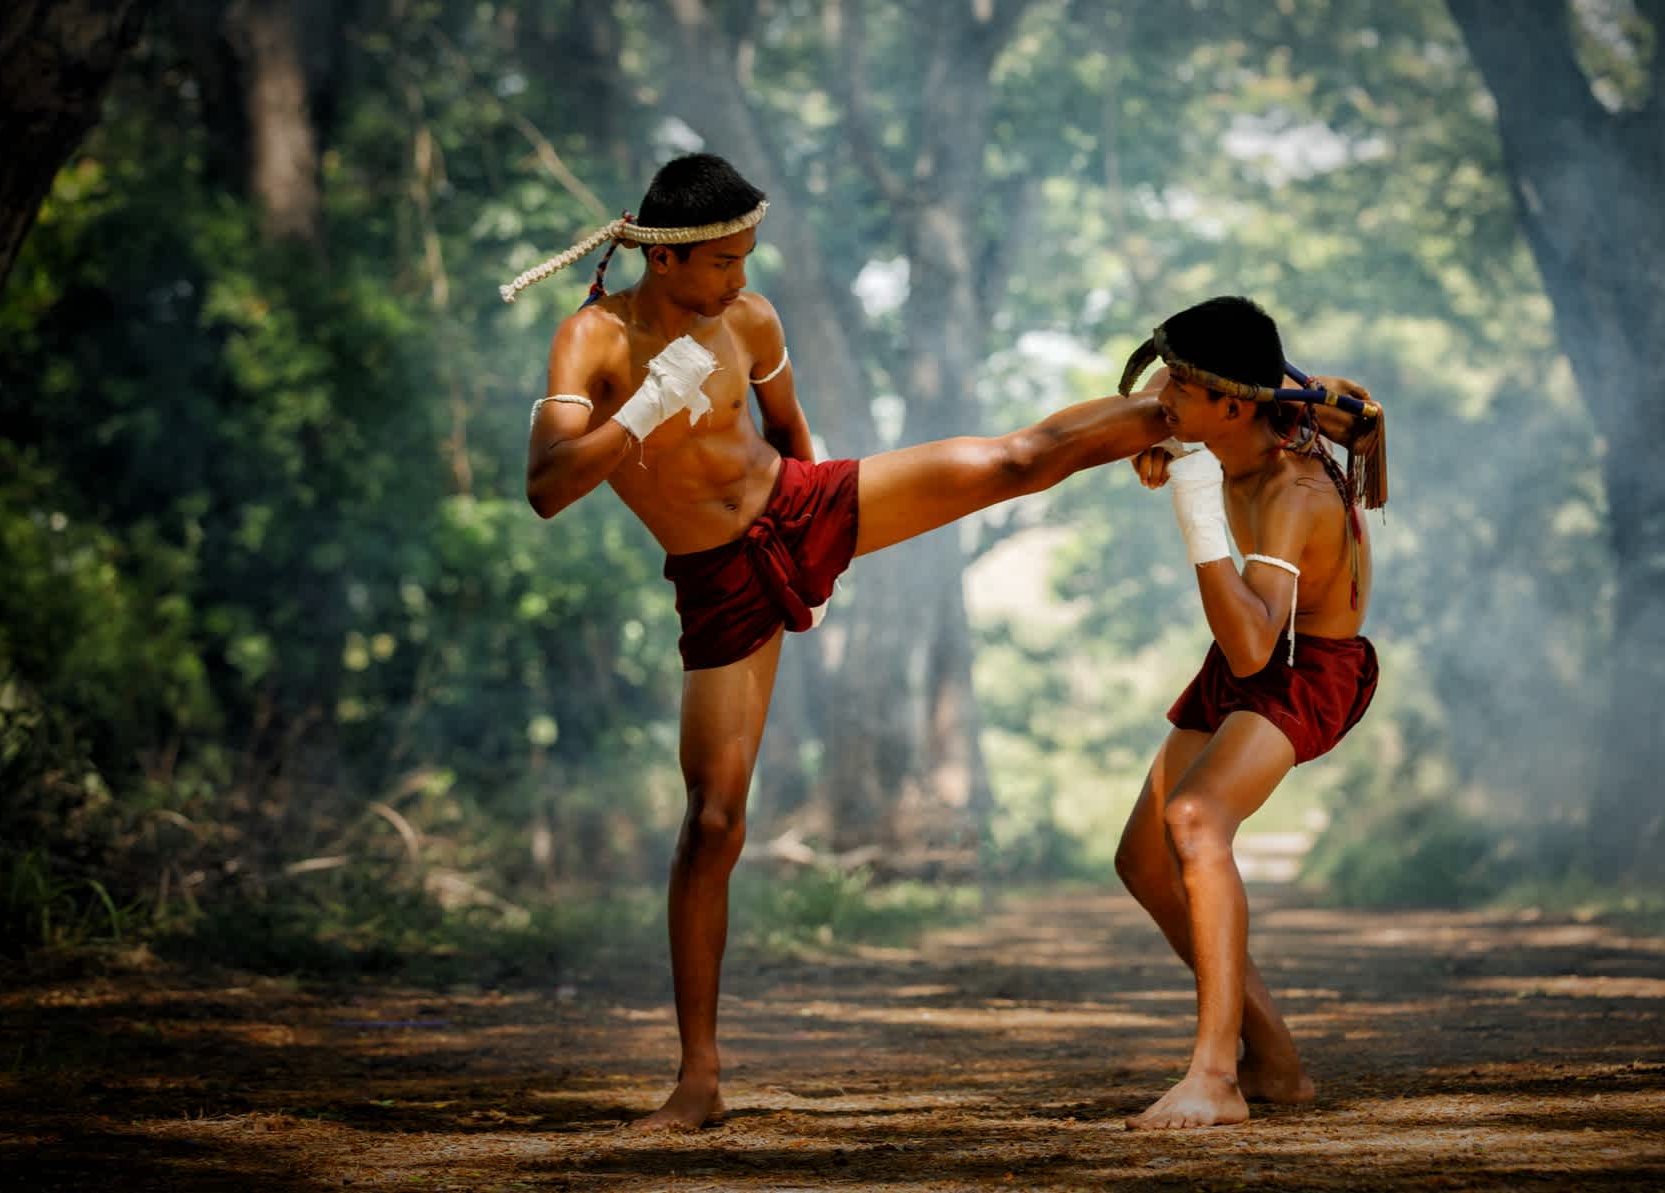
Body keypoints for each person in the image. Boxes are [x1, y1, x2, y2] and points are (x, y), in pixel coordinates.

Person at [504, 152, 1204, 1130]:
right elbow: (546, 487)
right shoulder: (591, 337)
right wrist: (650, 406)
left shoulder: (750, 320)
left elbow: (792, 438)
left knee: (1012, 459)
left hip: (799, 510)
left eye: (749, 258)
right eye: (723, 263)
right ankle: (698, 1076)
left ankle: (1194, 410)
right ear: (666, 261)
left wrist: (809, 557)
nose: (741, 281)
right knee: (711, 822)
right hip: (713, 581)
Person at [1112, 295, 1386, 1130]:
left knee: (1195, 820)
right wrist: (1173, 439)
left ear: (1232, 406)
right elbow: (1360, 412)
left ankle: (1215, 1076)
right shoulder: (1262, 421)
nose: (1161, 392)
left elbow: (1255, 654)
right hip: (1254, 645)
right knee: (1143, 860)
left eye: (1180, 388)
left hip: (1302, 666)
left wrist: (1194, 510)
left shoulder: (1290, 490)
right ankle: (1275, 1063)